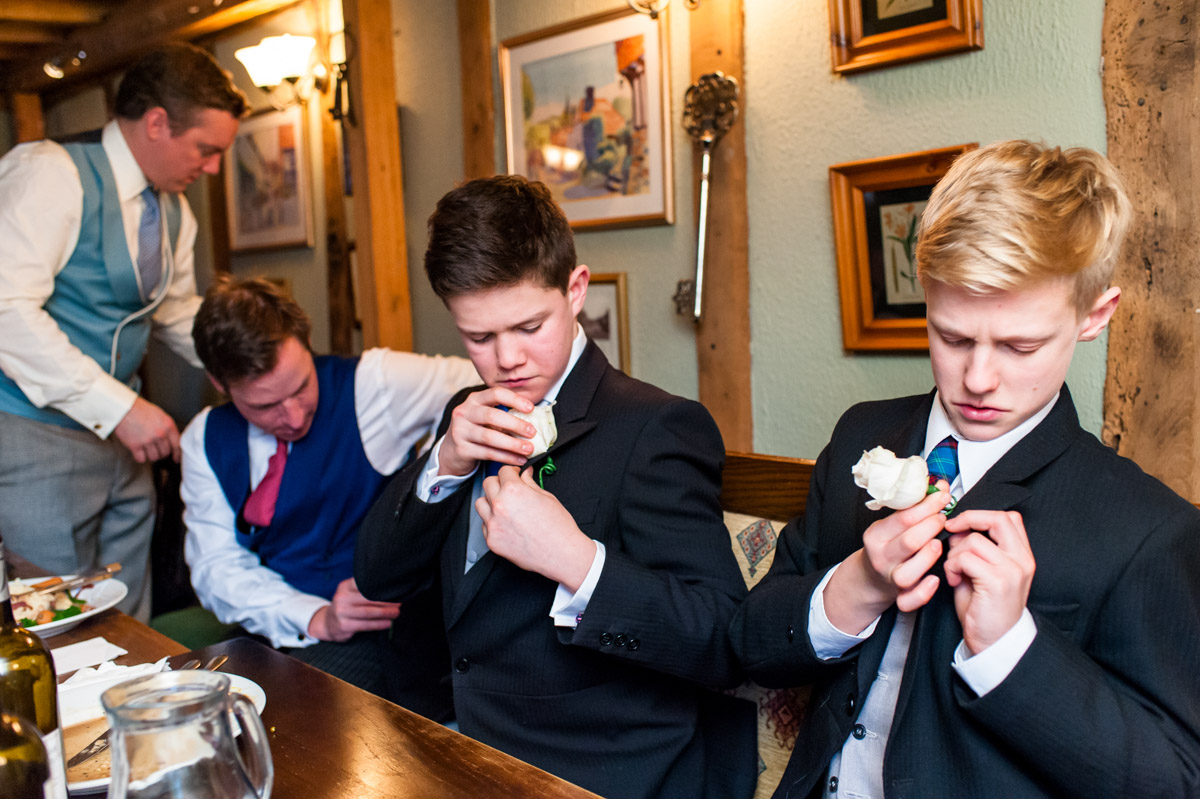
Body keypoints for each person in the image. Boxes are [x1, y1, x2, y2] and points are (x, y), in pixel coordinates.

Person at [730, 140, 1200, 798]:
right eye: (951, 336)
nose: (978, 379)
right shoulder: (863, 433)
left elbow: (1172, 781)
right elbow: (747, 643)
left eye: (1020, 344)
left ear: (1096, 315)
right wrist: (857, 583)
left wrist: (1012, 647)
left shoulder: (1149, 531)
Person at [355, 175, 756, 799]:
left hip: (590, 767)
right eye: (479, 338)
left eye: (527, 326)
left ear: (575, 290)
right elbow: (379, 577)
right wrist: (447, 462)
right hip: (442, 738)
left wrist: (575, 560)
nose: (506, 360)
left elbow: (722, 638)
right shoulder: (468, 410)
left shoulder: (655, 426)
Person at [0, 43, 248, 619]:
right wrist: (120, 409)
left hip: (123, 446)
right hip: (34, 439)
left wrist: (247, 369)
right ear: (157, 123)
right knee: (57, 621)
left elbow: (173, 311)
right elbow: (6, 310)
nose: (211, 168)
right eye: (206, 150)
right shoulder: (49, 172)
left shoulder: (174, 212)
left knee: (129, 616)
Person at [180, 275, 477, 713]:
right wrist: (312, 616)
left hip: (378, 637)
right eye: (265, 406)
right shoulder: (204, 437)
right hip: (272, 626)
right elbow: (216, 566)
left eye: (301, 387)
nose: (294, 415)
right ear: (220, 383)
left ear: (306, 341)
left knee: (292, 723)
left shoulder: (374, 385)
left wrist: (437, 477)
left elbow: (478, 384)